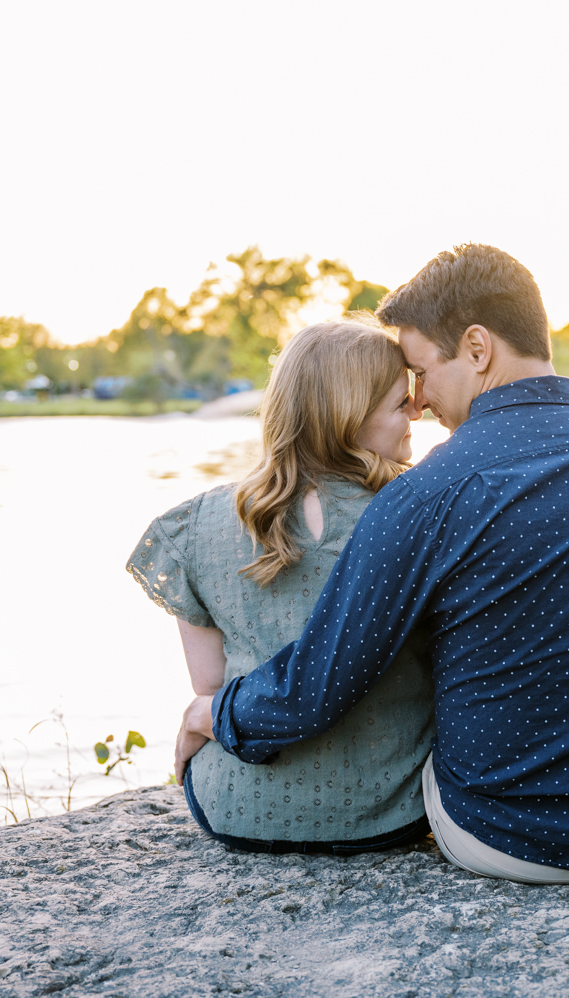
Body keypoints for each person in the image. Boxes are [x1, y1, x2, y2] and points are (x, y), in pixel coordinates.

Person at [178, 244, 569, 884]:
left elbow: (315, 689)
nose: (418, 401)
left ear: (477, 349)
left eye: (420, 369)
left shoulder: (423, 494)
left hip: (497, 836)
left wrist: (211, 713)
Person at [126, 318, 435, 854]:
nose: (417, 412)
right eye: (399, 403)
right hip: (388, 813)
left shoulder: (196, 526)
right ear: (348, 418)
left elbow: (209, 686)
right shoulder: (413, 515)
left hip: (238, 810)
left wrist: (202, 718)